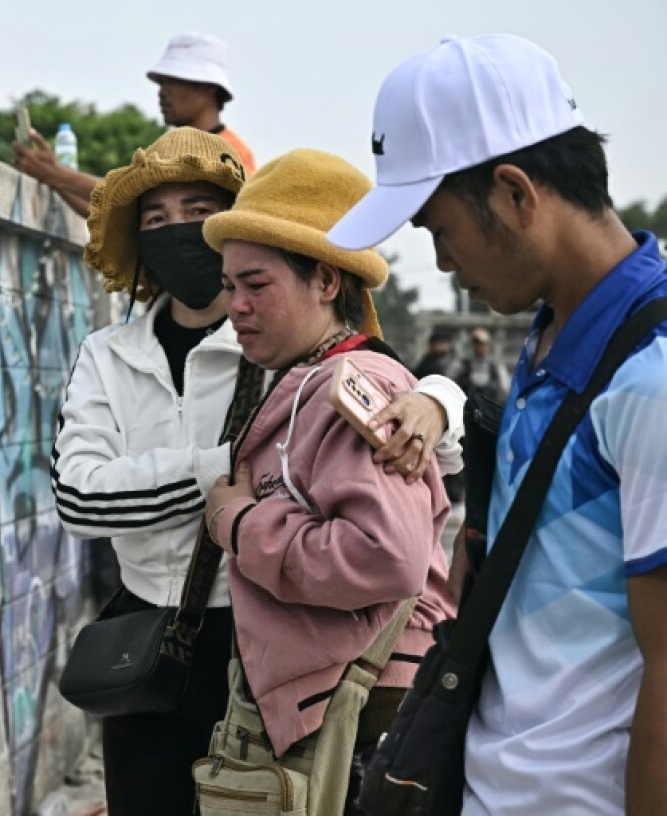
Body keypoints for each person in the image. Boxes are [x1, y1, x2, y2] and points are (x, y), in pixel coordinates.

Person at [51, 128, 464, 816]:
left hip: (262, 632)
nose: (178, 231)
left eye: (198, 213)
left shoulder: (280, 342)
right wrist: (229, 473)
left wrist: (437, 399)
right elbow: (78, 499)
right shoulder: (110, 354)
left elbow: (402, 430)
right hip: (147, 635)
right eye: (155, 219)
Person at [328, 33, 667, 815]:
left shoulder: (649, 378)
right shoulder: (553, 337)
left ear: (516, 193)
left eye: (439, 230)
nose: (443, 264)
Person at [202, 149, 456, 815]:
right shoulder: (310, 378)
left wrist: (237, 522)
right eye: (230, 287)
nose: (238, 307)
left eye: (256, 285)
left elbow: (386, 556)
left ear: (324, 281)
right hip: (343, 699)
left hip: (364, 710)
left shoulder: (354, 386)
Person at [13, 32, 256, 218]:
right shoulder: (167, 151)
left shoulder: (227, 151)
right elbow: (111, 214)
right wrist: (52, 178)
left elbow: (136, 196)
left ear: (208, 87)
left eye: (172, 81)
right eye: (160, 83)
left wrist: (56, 174)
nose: (162, 93)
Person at [448, 326, 509, 401]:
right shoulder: (462, 364)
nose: (480, 347)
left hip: (488, 407)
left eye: (483, 344)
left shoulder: (495, 366)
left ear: (488, 345)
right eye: (477, 343)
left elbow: (505, 387)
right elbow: (449, 383)